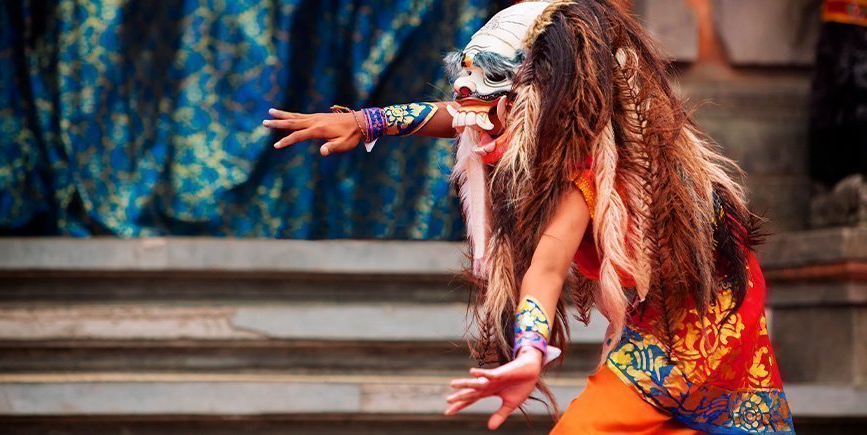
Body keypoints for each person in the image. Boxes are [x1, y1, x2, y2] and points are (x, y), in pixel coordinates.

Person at [263, 1, 794, 433]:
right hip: (678, 306)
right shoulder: (526, 115)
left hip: (699, 315)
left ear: (538, 97)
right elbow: (468, 112)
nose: (472, 110)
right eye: (464, 81)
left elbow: (545, 268)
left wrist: (529, 353)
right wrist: (368, 121)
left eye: (493, 92)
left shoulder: (585, 163)